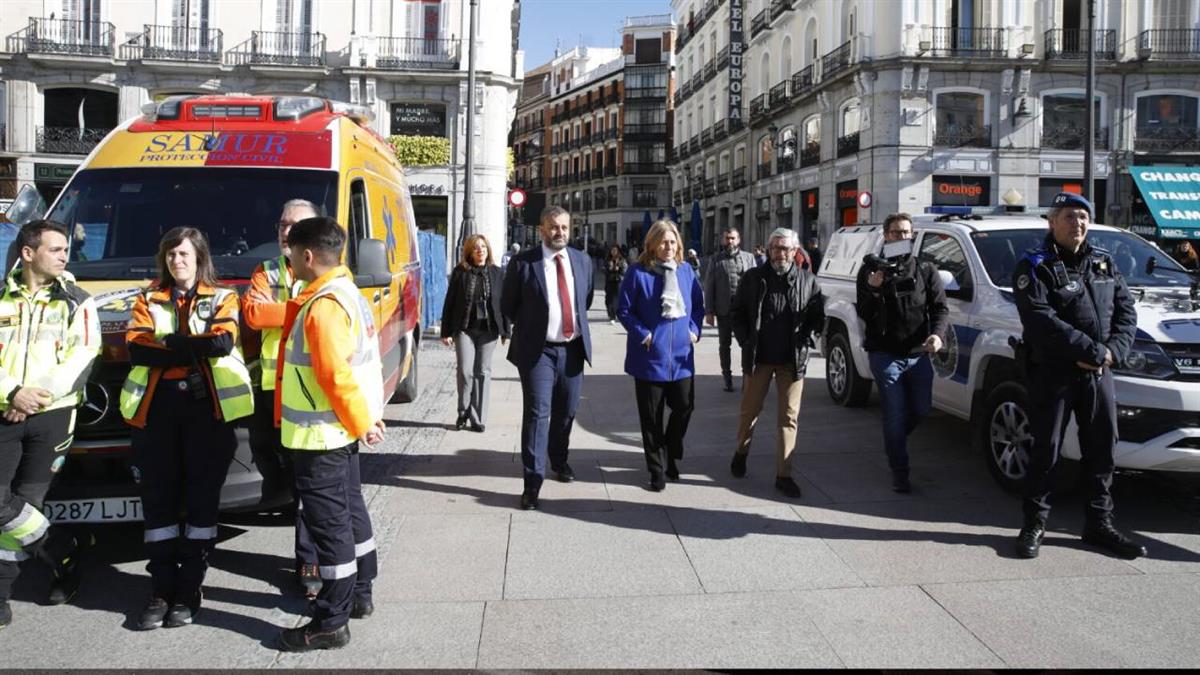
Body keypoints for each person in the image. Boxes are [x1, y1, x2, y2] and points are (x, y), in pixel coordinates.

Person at [121, 227, 255, 630]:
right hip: (156, 409)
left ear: (199, 257)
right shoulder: (147, 298)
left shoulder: (223, 297)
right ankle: (161, 588)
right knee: (158, 501)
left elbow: (222, 343)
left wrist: (168, 344)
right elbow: (136, 348)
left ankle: (189, 588)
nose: (176, 261)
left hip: (206, 410)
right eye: (170, 254)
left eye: (183, 254)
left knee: (201, 502)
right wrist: (190, 345)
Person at [1010, 192, 1144, 560]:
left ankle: (1099, 524)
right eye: (1069, 216)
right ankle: (1034, 523)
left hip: (1099, 373)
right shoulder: (1034, 265)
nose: (1078, 223)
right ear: (1052, 221)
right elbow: (1039, 320)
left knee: (1102, 449)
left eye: (1083, 217)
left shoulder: (1103, 262)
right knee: (1047, 450)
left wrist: (1113, 351)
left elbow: (1126, 311)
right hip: (1054, 374)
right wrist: (1091, 351)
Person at [275, 216, 385, 651]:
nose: (288, 261)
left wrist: (362, 422)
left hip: (319, 436)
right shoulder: (348, 293)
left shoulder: (323, 305)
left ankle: (330, 622)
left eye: (291, 253)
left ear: (307, 255)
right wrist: (365, 419)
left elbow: (334, 375)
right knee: (351, 512)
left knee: (330, 527)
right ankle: (361, 592)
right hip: (339, 430)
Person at [0, 220, 101, 628]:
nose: (64, 255)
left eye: (65, 249)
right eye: (55, 249)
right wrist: (12, 393)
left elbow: (82, 357)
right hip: (5, 408)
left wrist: (31, 397)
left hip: (52, 414)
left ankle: (0, 595)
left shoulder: (78, 301)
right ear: (28, 253)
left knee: (28, 502)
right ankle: (62, 547)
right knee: (5, 506)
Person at [242, 198, 321, 600]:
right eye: (282, 224)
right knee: (275, 467)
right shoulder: (266, 270)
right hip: (270, 388)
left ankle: (309, 561)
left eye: (295, 225)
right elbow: (254, 315)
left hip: (307, 390)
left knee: (307, 481)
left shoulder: (325, 272)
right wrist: (300, 308)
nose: (286, 231)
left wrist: (281, 310)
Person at [501, 206, 594, 511]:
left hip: (572, 348)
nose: (560, 232)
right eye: (554, 227)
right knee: (538, 413)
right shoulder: (523, 263)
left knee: (566, 411)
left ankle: (559, 459)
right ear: (542, 229)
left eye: (564, 227)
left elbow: (585, 300)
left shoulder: (582, 261)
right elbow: (509, 304)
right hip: (538, 351)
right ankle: (532, 482)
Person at [856, 213, 950, 494]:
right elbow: (864, 313)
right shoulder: (871, 270)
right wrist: (874, 290)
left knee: (921, 409)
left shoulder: (925, 269)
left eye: (906, 232)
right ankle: (900, 471)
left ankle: (893, 439)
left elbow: (940, 308)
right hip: (885, 355)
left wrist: (937, 335)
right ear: (886, 235)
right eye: (896, 232)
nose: (902, 237)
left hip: (918, 353)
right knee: (894, 415)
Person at [729, 228, 824, 499]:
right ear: (769, 249)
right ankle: (741, 452)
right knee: (749, 411)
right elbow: (737, 312)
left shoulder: (808, 280)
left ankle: (784, 475)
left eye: (785, 249)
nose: (780, 254)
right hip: (758, 359)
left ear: (795, 252)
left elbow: (818, 318)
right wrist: (745, 340)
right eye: (775, 248)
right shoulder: (753, 278)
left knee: (788, 418)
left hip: (791, 362)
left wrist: (807, 339)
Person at [617, 220, 705, 491]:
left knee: (685, 407)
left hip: (681, 357)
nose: (669, 247)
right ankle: (657, 469)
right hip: (649, 357)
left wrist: (694, 331)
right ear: (652, 244)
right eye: (663, 242)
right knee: (651, 418)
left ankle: (671, 450)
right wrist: (644, 335)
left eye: (673, 242)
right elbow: (624, 310)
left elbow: (698, 305)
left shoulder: (686, 270)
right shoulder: (637, 272)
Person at [441, 234, 509, 432]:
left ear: (488, 251)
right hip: (465, 329)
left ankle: (478, 418)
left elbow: (503, 303)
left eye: (484, 247)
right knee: (465, 371)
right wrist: (446, 331)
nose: (481, 251)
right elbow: (450, 302)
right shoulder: (460, 272)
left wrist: (506, 331)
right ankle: (463, 411)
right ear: (469, 252)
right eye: (476, 248)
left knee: (483, 371)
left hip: (489, 330)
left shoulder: (497, 273)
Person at [703, 228, 757, 392]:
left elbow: (756, 284)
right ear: (723, 240)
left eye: (733, 238)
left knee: (747, 345)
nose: (730, 241)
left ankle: (747, 377)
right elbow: (709, 286)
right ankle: (727, 378)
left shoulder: (749, 258)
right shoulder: (716, 260)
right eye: (727, 238)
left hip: (745, 311)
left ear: (738, 240)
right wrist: (709, 311)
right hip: (724, 310)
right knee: (724, 345)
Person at [603, 245, 628, 325]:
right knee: (608, 300)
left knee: (616, 300)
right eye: (612, 250)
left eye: (615, 250)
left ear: (618, 251)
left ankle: (613, 316)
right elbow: (603, 269)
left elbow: (625, 271)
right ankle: (611, 315)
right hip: (609, 281)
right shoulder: (608, 260)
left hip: (618, 282)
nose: (613, 252)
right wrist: (608, 269)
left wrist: (619, 269)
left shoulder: (622, 260)